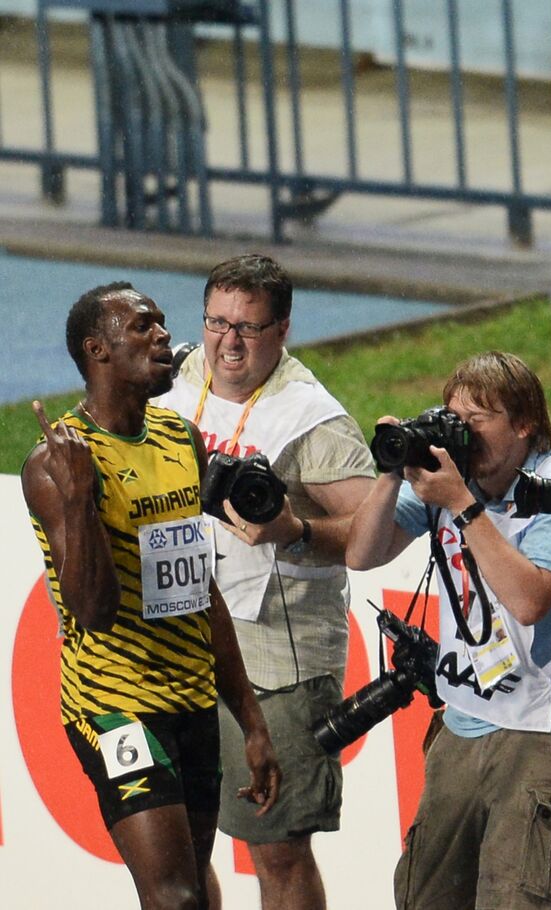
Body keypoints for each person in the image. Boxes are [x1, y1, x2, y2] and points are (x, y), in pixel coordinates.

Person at [23, 282, 280, 909]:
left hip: (190, 699)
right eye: (143, 326)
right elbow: (92, 610)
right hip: (113, 705)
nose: (164, 336)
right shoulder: (53, 466)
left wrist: (249, 718)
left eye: (162, 323)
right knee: (176, 898)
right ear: (98, 351)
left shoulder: (179, 440)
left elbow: (201, 588)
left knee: (196, 884)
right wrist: (82, 496)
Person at [345, 351, 551, 910]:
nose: (461, 435)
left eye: (477, 421)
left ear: (523, 424)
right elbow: (362, 553)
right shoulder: (455, 480)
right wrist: (392, 472)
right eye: (452, 418)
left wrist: (464, 508)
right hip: (463, 721)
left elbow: (531, 599)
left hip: (544, 727)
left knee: (520, 901)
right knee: (425, 897)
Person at [155, 254, 375, 910]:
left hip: (275, 661)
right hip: (177, 641)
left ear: (282, 331)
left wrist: (297, 532)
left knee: (276, 849)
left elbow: (370, 535)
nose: (228, 342)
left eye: (247, 329)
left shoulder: (312, 418)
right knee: (184, 842)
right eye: (217, 322)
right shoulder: (176, 375)